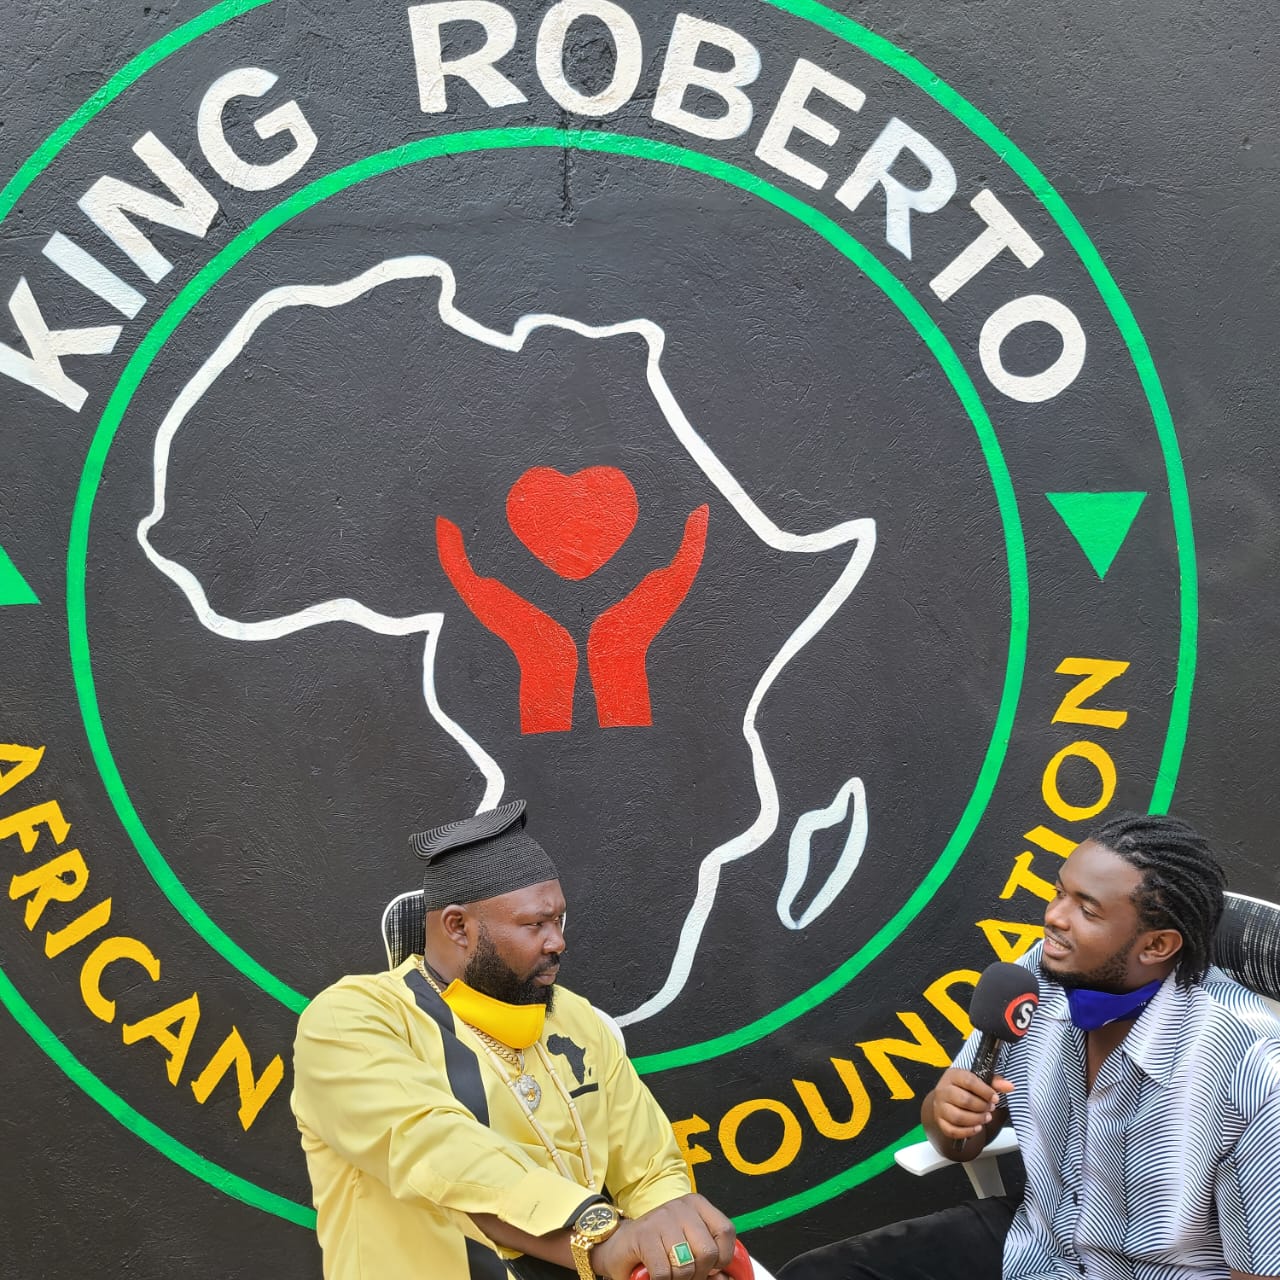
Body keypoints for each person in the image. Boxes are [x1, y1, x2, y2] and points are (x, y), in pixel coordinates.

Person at [780, 812, 1280, 1280]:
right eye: (1059, 893)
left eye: (1087, 909)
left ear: (1156, 945)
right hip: (1038, 1242)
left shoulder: (1250, 1066)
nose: (1055, 918)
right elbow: (960, 1143)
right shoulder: (1038, 976)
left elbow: (1259, 1269)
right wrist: (948, 1114)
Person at [292, 799, 738, 1280]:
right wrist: (601, 1238)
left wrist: (674, 1249)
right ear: (458, 927)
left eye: (558, 920)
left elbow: (651, 1168)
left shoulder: (573, 1015)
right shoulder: (350, 1018)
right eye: (535, 925)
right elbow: (437, 1152)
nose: (558, 941)